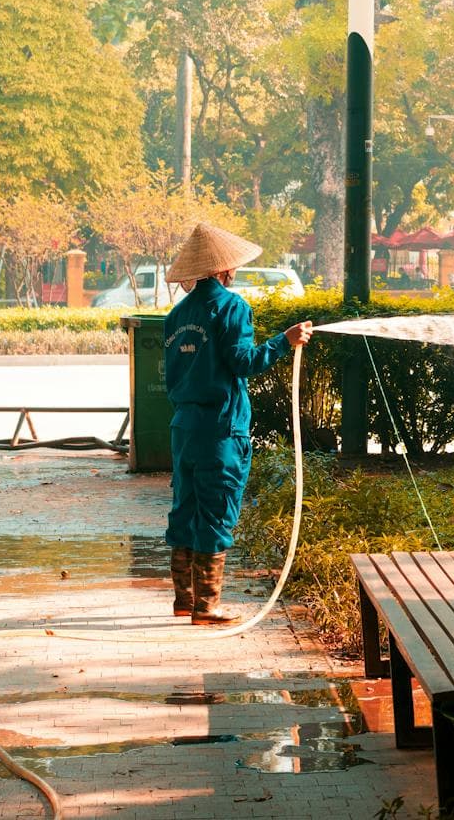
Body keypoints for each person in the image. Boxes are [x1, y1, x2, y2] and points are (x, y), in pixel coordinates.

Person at [162, 220, 312, 625]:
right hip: (220, 430)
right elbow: (244, 363)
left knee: (184, 509)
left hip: (183, 427)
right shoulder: (233, 308)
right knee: (216, 512)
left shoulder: (176, 315)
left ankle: (183, 600)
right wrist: (286, 340)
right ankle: (207, 608)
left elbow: (171, 377)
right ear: (224, 269)